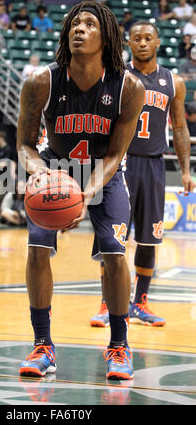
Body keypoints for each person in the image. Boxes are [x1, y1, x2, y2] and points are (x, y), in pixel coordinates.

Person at [17, 0, 145, 380]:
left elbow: (117, 152)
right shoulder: (42, 81)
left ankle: (119, 346)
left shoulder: (129, 87)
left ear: (105, 38)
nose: (78, 28)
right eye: (74, 23)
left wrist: (86, 191)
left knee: (115, 254)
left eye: (89, 24)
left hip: (104, 172)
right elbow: (24, 145)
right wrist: (42, 175)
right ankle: (43, 345)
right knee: (37, 246)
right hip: (54, 166)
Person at [90, 20, 195, 330]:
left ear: (158, 42)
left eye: (148, 38)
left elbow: (179, 127)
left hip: (153, 164)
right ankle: (107, 304)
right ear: (129, 43)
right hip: (119, 164)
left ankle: (140, 303)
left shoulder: (173, 82)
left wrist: (187, 171)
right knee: (112, 237)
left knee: (150, 238)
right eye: (137, 38)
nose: (143, 43)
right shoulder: (117, 77)